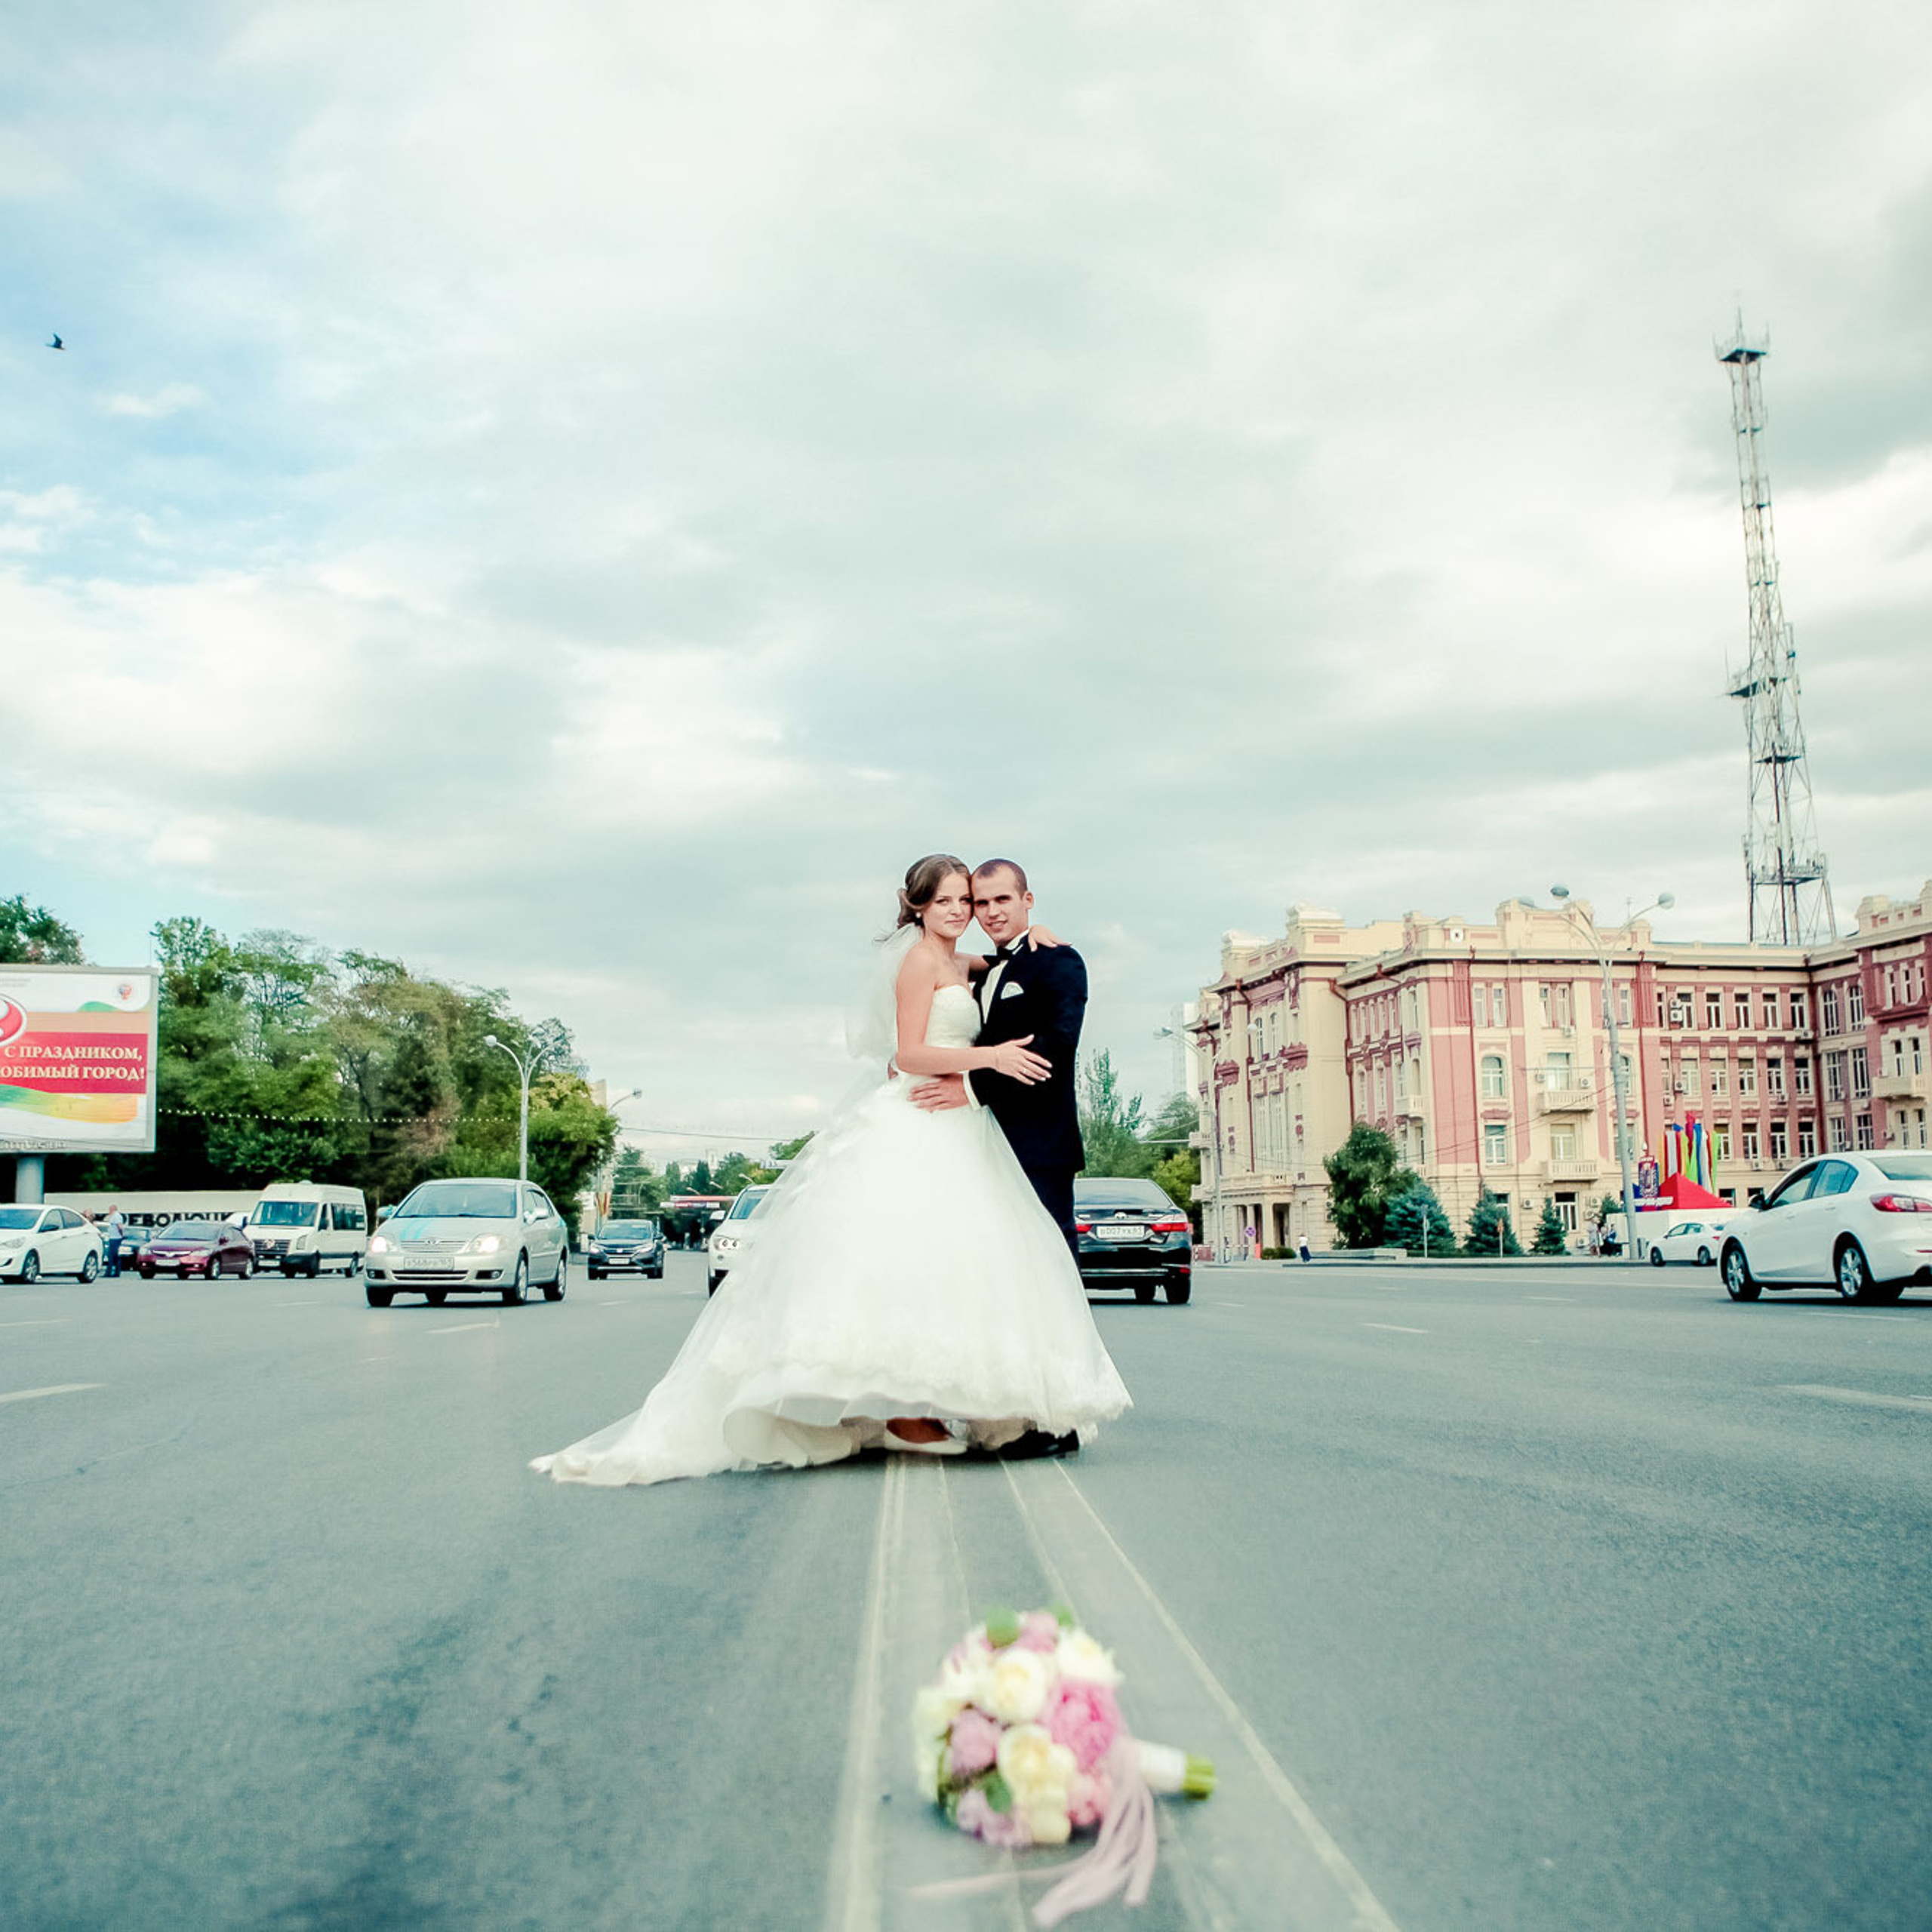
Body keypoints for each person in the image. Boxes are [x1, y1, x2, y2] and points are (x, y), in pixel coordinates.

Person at [531, 855, 1131, 1487]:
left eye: (974, 901)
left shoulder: (987, 961)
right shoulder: (921, 960)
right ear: (919, 906)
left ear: (1018, 902)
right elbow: (907, 1051)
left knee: (968, 1265)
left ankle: (977, 1406)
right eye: (954, 901)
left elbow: (1033, 998)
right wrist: (987, 1060)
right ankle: (905, 1410)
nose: (967, 912)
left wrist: (1040, 942)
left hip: (982, 1131)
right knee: (903, 1259)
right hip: (926, 1120)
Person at [103, 1204, 126, 1278]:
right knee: (115, 1256)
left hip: (115, 1238)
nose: (109, 1211)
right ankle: (115, 1272)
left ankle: (110, 1272)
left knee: (112, 1256)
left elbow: (119, 1227)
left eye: (110, 1209)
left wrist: (121, 1235)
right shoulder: (113, 1216)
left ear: (113, 1209)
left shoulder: (117, 1216)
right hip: (113, 1238)